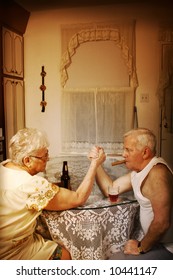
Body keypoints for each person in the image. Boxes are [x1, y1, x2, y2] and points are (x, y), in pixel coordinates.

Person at [0, 127, 106, 260]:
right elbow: (78, 198)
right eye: (44, 156)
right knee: (64, 255)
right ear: (27, 160)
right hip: (12, 252)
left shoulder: (4, 166)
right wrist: (94, 164)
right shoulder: (32, 185)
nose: (48, 159)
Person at [88, 128, 173, 260]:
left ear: (145, 152)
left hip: (167, 247)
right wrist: (96, 163)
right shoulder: (139, 172)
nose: (123, 154)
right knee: (111, 257)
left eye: (128, 150)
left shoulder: (157, 173)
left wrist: (140, 247)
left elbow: (162, 223)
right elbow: (109, 189)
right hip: (155, 242)